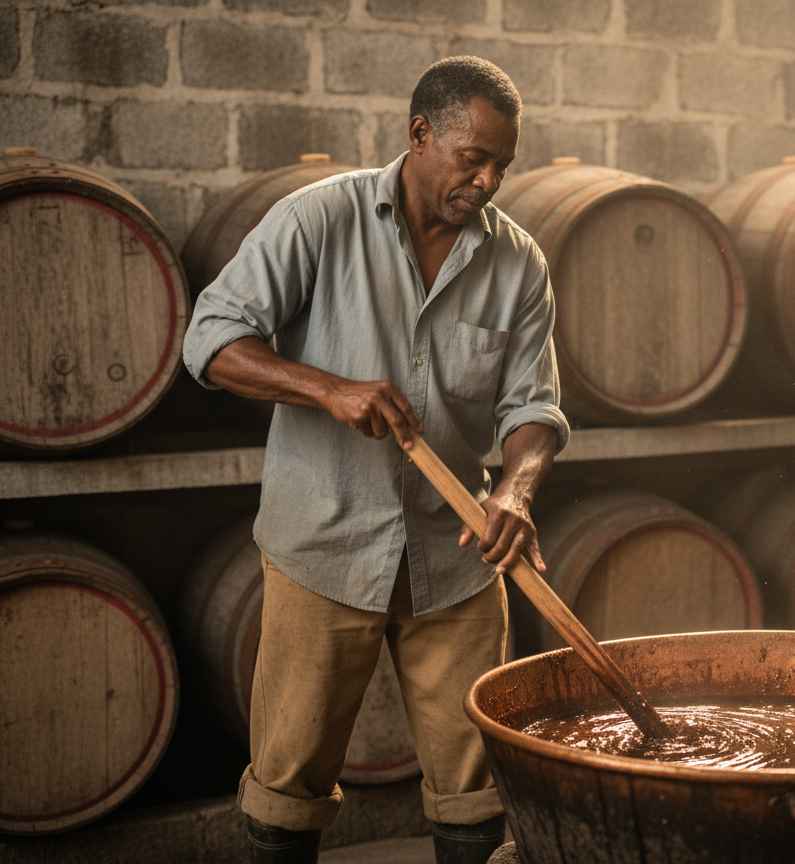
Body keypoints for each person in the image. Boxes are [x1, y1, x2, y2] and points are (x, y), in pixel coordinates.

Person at [182, 56, 568, 864]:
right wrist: (326, 388)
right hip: (323, 545)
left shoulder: (519, 262)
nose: (490, 181)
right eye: (473, 158)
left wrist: (517, 490)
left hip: (457, 556)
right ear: (420, 133)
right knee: (286, 787)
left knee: (475, 786)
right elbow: (210, 340)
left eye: (502, 164)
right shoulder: (319, 218)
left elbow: (532, 410)